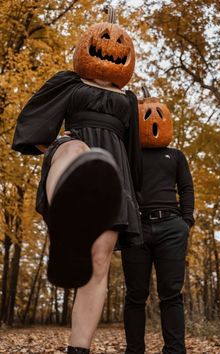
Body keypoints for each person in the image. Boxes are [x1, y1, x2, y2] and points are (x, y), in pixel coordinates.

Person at [12, 7, 142, 354]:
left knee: (99, 261)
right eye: (104, 39)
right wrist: (55, 144)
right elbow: (35, 124)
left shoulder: (129, 100)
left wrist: (133, 199)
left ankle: (78, 349)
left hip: (112, 177)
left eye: (119, 43)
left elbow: (132, 154)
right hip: (71, 150)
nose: (112, 45)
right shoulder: (68, 83)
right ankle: (67, 219)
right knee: (78, 150)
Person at [122, 89, 194, 354]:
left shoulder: (175, 156)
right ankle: (134, 351)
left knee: (171, 295)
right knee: (135, 296)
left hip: (171, 228)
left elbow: (186, 188)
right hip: (136, 229)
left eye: (158, 114)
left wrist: (186, 222)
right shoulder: (129, 155)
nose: (152, 119)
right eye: (145, 115)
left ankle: (175, 351)